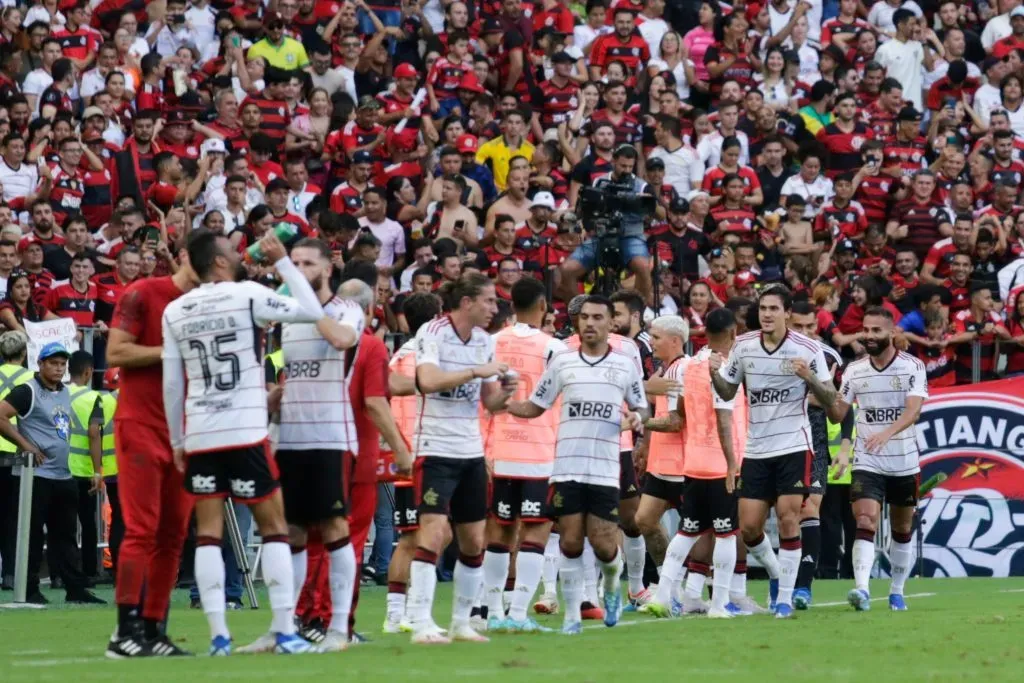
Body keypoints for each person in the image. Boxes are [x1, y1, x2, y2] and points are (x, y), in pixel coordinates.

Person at [162, 230, 350, 656]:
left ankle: (218, 638)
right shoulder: (248, 294)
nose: (239, 252)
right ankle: (285, 632)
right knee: (275, 529)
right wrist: (283, 262)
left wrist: (177, 438)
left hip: (202, 433)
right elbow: (308, 308)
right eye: (232, 249)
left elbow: (173, 385)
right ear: (222, 262)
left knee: (208, 535)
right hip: (246, 430)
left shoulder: (175, 310)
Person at [507, 295, 647, 634]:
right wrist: (505, 405)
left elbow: (642, 409)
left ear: (610, 321)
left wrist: (637, 419)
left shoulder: (626, 363)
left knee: (602, 543)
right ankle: (572, 616)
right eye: (584, 317)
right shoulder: (562, 362)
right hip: (566, 467)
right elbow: (536, 405)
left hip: (604, 468)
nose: (589, 323)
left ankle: (612, 585)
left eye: (597, 317)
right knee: (569, 541)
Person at [709, 284, 836, 618]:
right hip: (757, 448)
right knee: (749, 527)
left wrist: (809, 377)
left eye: (773, 309)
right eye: (763, 308)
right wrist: (714, 374)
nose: (766, 314)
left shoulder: (808, 349)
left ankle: (784, 599)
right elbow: (727, 388)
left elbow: (833, 403)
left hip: (794, 445)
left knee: (788, 518)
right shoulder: (744, 346)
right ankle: (779, 574)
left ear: (787, 313)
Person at [404, 272, 516, 644]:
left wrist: (505, 395)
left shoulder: (483, 340)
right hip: (435, 448)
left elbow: (489, 403)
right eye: (488, 301)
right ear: (466, 302)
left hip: (470, 450)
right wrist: (474, 371)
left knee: (473, 540)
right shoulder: (432, 332)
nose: (494, 308)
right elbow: (428, 382)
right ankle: (420, 621)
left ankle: (461, 622)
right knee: (434, 533)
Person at [275, 239, 366, 652]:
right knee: (291, 531)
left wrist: (295, 286)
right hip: (290, 438)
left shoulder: (346, 309)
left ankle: (338, 629)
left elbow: (341, 340)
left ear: (327, 267)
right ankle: (287, 628)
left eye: (306, 263)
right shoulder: (287, 316)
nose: (297, 269)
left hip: (330, 437)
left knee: (333, 529)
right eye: (292, 263)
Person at [645, 308, 748, 619]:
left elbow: (679, 415)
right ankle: (718, 604)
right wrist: (732, 463)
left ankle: (663, 596)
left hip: (693, 463)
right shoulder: (731, 368)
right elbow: (723, 416)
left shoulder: (689, 368)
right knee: (726, 534)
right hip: (722, 464)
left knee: (687, 532)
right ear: (733, 334)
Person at [480, 277, 566, 633]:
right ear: (543, 306)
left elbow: (481, 402)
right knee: (535, 534)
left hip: (499, 452)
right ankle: (517, 613)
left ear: (509, 305)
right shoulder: (554, 349)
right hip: (541, 454)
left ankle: (492, 610)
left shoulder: (490, 343)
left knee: (499, 533)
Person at [827, 307, 927, 612]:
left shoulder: (912, 367)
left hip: (904, 461)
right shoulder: (855, 371)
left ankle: (897, 591)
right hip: (867, 460)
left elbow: (913, 411)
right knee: (866, 519)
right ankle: (862, 589)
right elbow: (838, 413)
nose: (868, 336)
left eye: (876, 331)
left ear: (892, 332)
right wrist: (818, 385)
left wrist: (887, 432)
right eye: (865, 330)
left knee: (901, 528)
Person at [0, 342, 105, 605]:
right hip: (34, 476)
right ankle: (29, 589)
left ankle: (75, 589)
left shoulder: (65, 393)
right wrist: (26, 446)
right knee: (32, 534)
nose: (59, 369)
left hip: (62, 473)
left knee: (66, 535)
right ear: (40, 364)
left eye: (62, 365)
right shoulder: (28, 391)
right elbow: (1, 416)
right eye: (53, 364)